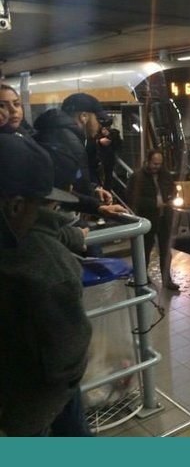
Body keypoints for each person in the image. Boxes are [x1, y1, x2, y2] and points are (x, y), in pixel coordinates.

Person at [0, 134, 92, 436]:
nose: (41, 214)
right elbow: (65, 365)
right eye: (39, 205)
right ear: (15, 206)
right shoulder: (48, 272)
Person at [126, 149, 180, 291]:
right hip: (147, 219)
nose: (157, 166)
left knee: (165, 250)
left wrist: (171, 197)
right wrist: (153, 204)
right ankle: (142, 277)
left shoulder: (165, 175)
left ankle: (167, 280)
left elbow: (173, 189)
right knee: (145, 249)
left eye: (160, 164)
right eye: (155, 163)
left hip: (164, 218)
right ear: (148, 162)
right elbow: (132, 199)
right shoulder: (137, 177)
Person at [96, 120, 122, 191]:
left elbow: (118, 145)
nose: (104, 131)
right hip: (100, 160)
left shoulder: (114, 135)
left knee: (108, 177)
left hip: (109, 160)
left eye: (105, 129)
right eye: (103, 129)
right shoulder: (98, 136)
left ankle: (107, 190)